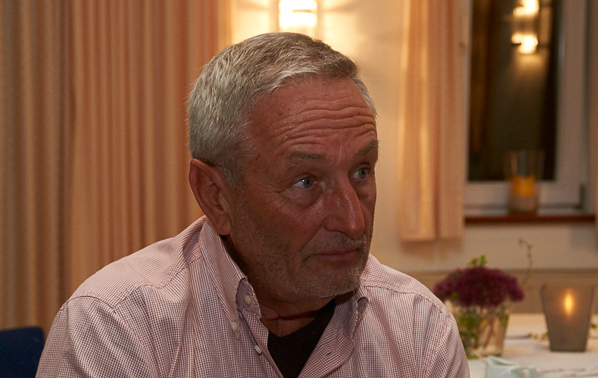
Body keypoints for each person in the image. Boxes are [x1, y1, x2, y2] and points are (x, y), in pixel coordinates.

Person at [37, 32, 469, 377]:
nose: (354, 220)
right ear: (216, 196)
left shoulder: (419, 330)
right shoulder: (117, 328)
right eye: (306, 182)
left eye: (361, 172)